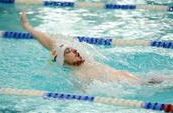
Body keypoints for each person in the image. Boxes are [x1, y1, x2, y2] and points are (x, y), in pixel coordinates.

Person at [20, 12, 167, 85]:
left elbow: (50, 43)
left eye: (72, 49)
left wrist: (28, 27)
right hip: (137, 85)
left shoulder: (87, 60)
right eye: (68, 51)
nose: (75, 50)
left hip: (136, 78)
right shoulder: (78, 76)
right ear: (62, 60)